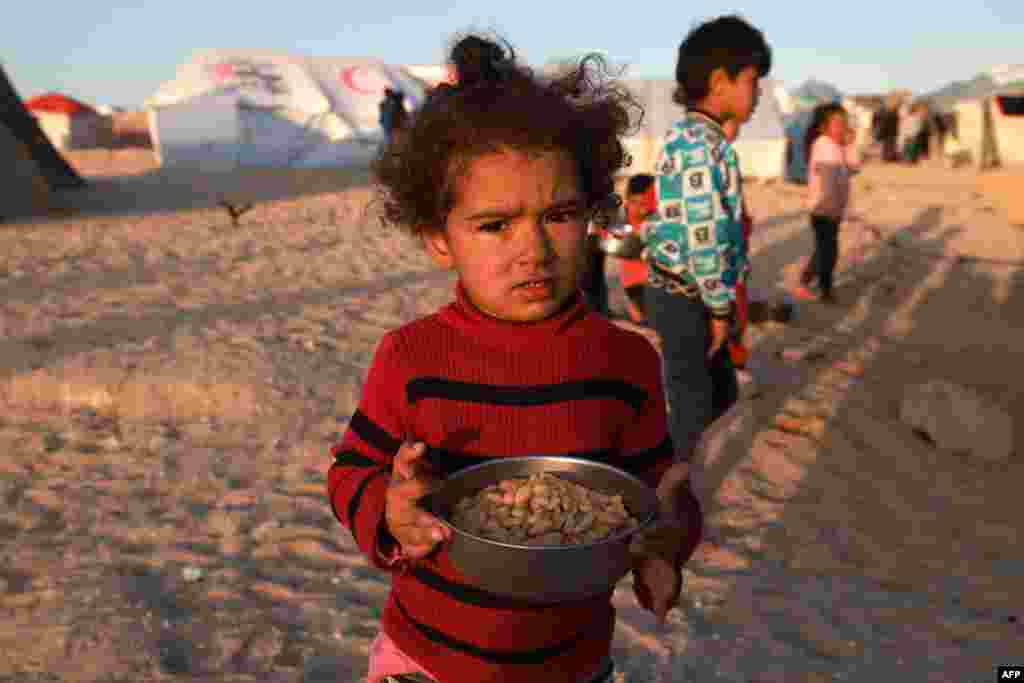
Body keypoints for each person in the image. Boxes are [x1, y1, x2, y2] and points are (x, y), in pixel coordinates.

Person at [327, 34, 703, 683]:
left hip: (572, 664)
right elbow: (351, 470)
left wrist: (666, 542)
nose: (533, 249)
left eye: (558, 214)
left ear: (591, 213)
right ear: (438, 238)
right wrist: (390, 511)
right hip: (426, 663)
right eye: (495, 224)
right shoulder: (412, 357)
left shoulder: (624, 361)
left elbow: (651, 492)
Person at [644, 14, 771, 456]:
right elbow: (704, 238)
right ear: (721, 82)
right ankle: (679, 488)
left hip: (699, 290)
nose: (758, 93)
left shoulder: (703, 138)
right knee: (692, 402)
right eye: (753, 80)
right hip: (688, 294)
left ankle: (691, 473)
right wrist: (719, 308)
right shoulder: (699, 144)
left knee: (718, 395)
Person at [795, 102, 862, 304]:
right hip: (823, 208)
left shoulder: (836, 146)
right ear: (823, 127)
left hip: (832, 209)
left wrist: (850, 144)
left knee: (824, 249)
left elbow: (854, 169)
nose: (843, 127)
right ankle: (825, 289)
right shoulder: (824, 145)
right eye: (838, 123)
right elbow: (827, 183)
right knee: (829, 251)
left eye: (845, 123)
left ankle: (806, 280)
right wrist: (832, 208)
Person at [618, 173, 657, 324]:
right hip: (626, 303)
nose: (641, 210)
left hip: (652, 298)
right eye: (635, 203)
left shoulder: (658, 228)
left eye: (645, 204)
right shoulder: (618, 229)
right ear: (627, 200)